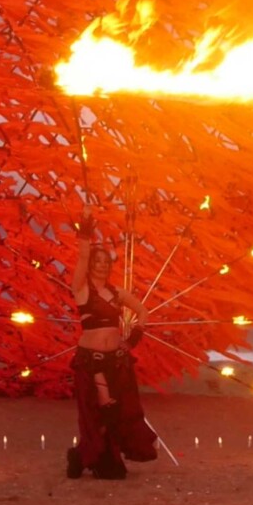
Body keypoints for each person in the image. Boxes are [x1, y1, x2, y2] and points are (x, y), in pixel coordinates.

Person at [67, 205, 157, 479]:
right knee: (99, 411)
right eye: (97, 262)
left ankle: (101, 455)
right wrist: (85, 230)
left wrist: (134, 336)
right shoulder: (82, 290)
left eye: (106, 262)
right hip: (91, 361)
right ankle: (87, 455)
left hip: (116, 360)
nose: (102, 265)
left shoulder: (118, 293)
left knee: (120, 410)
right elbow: (82, 256)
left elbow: (143, 311)